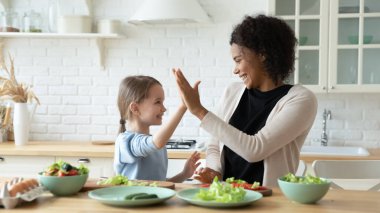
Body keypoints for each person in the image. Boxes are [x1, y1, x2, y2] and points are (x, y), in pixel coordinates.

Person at [172, 14, 318, 187]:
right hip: (227, 197)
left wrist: (199, 110)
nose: (235, 70)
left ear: (262, 54)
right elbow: (215, 145)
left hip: (270, 202)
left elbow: (255, 149)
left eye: (238, 60)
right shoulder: (232, 92)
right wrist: (215, 172)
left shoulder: (300, 99)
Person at [114, 75, 201, 183]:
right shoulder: (126, 142)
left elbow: (160, 186)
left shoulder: (157, 145)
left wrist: (184, 174)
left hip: (153, 200)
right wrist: (183, 106)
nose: (164, 109)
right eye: (157, 102)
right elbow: (156, 142)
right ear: (135, 108)